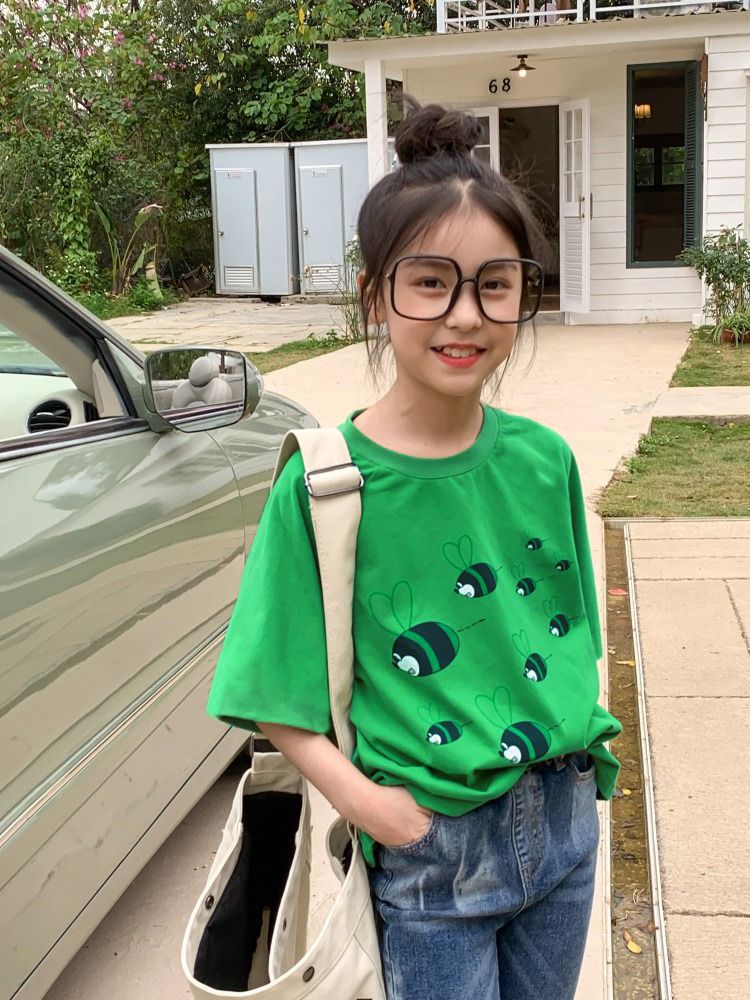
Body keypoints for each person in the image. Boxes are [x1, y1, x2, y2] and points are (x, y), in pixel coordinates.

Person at [207, 99, 622, 1000]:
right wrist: (374, 810)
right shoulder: (326, 483)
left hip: (563, 822)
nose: (465, 315)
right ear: (374, 297)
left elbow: (571, 634)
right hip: (432, 852)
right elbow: (268, 693)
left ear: (523, 295)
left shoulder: (544, 459)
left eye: (495, 284)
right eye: (430, 282)